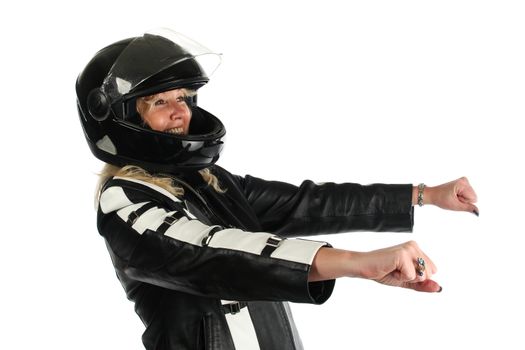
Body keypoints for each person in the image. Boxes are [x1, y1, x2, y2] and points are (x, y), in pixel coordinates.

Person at [76, 29, 478, 350]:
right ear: (118, 116)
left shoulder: (209, 183)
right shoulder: (123, 201)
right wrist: (355, 262)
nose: (181, 112)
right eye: (159, 102)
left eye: (183, 97)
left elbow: (308, 203)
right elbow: (215, 252)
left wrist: (424, 194)